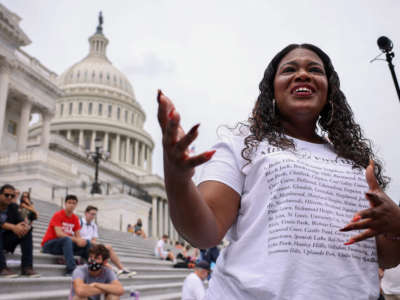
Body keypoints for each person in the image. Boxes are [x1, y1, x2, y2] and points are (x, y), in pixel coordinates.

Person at [157, 43, 400, 299]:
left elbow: (384, 256)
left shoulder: (357, 162)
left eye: (314, 69)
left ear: (330, 91)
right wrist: (178, 179)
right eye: (289, 69)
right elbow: (203, 233)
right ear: (272, 90)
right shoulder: (242, 143)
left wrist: (397, 225)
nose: (303, 74)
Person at [79, 205, 136, 278]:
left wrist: (95, 244)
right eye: (91, 214)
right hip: (82, 246)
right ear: (86, 213)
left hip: (91, 246)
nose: (93, 216)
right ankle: (115, 270)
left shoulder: (94, 225)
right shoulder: (79, 222)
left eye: (94, 214)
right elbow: (77, 237)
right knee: (101, 253)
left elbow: (94, 240)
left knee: (108, 247)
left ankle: (121, 268)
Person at [42, 194, 90, 276]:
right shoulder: (58, 215)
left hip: (65, 245)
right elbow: (59, 234)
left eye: (74, 203)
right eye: (69, 202)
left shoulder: (75, 218)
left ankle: (90, 267)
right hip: (49, 245)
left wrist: (81, 241)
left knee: (87, 242)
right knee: (67, 240)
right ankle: (71, 270)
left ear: (76, 205)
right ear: (65, 204)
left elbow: (78, 236)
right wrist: (76, 240)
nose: (71, 205)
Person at [0, 184, 39, 277]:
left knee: (27, 232)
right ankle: (2, 268)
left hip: (5, 241)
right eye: (6, 195)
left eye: (12, 196)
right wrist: (13, 227)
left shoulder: (13, 206)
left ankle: (27, 267)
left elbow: (21, 221)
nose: (9, 197)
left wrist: (25, 227)